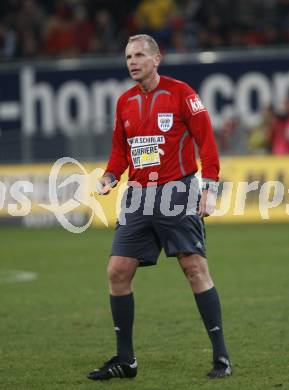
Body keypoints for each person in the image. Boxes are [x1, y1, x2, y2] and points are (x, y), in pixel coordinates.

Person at [88, 34, 232, 381]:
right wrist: (109, 176)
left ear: (157, 59)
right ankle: (126, 360)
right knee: (117, 271)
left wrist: (209, 188)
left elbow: (207, 143)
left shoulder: (183, 94)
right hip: (138, 196)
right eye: (127, 57)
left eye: (139, 55)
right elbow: (120, 153)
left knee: (194, 269)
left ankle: (222, 357)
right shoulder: (124, 102)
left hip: (177, 192)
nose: (132, 62)